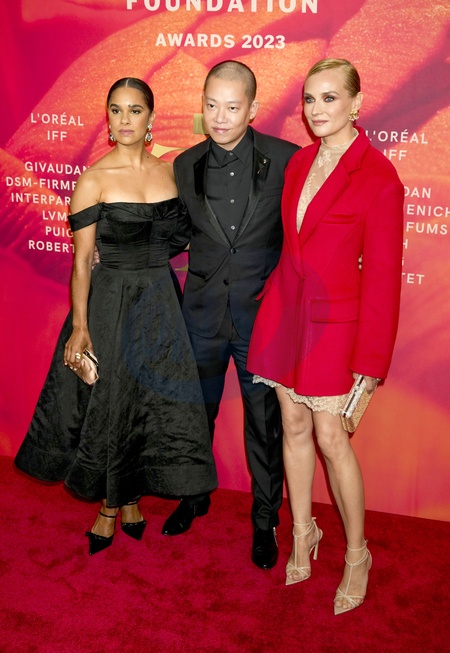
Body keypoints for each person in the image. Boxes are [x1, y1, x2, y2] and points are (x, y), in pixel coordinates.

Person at [15, 77, 217, 555]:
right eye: (116, 110)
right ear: (107, 118)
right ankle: (110, 505)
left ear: (151, 117)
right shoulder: (94, 179)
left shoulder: (171, 173)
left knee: (151, 405)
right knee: (113, 405)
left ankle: (130, 498)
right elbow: (83, 260)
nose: (125, 119)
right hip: (110, 303)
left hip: (161, 301)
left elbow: (183, 236)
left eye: (135, 110)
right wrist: (80, 326)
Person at [247, 58, 404, 610]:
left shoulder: (379, 178)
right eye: (310, 99)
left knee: (331, 437)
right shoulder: (299, 162)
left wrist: (371, 363)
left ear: (357, 103)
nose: (316, 110)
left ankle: (357, 554)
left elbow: (382, 280)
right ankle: (302, 531)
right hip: (287, 316)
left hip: (336, 327)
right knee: (291, 425)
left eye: (330, 98)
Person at [161, 60, 299, 570]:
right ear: (202, 105)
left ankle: (265, 521)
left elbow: (301, 237)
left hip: (260, 317)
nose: (220, 117)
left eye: (232, 107)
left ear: (253, 108)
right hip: (201, 316)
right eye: (212, 105)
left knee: (265, 425)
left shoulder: (286, 160)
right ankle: (193, 495)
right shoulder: (185, 164)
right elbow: (177, 234)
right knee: (194, 413)